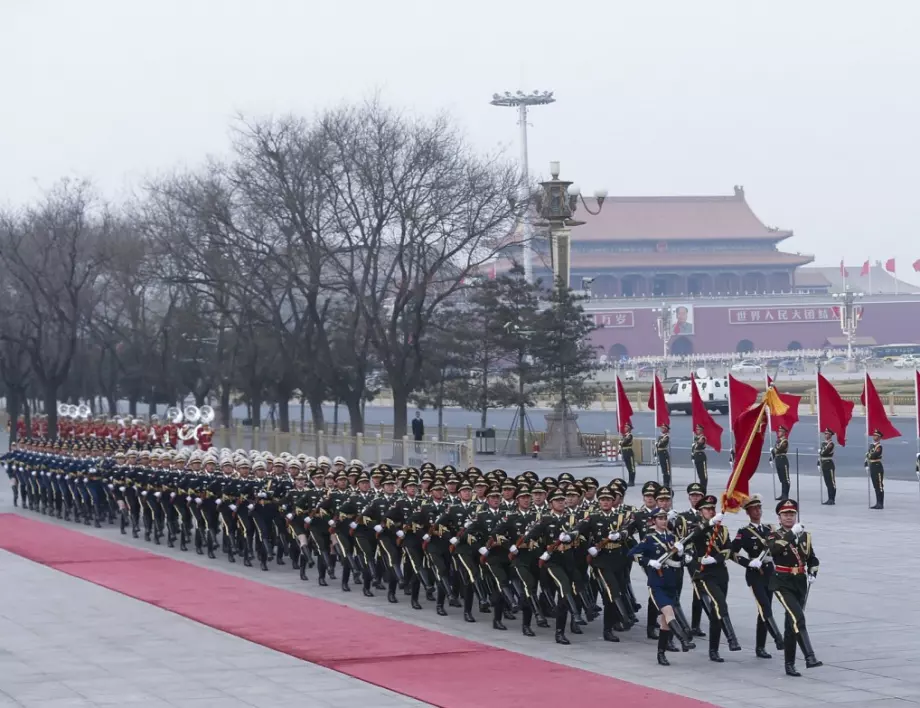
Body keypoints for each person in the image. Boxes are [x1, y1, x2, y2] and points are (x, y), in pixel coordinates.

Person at [628, 507, 695, 665]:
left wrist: (680, 553)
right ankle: (683, 640)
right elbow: (632, 553)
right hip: (657, 583)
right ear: (653, 521)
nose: (663, 521)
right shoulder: (649, 539)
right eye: (660, 518)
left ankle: (661, 653)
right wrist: (648, 562)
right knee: (669, 612)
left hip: (671, 581)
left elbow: (679, 559)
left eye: (665, 518)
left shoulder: (672, 538)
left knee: (665, 623)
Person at [685, 494, 742, 662]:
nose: (710, 511)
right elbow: (692, 537)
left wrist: (716, 558)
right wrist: (708, 524)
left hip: (720, 572)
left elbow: (728, 549)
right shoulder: (695, 527)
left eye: (712, 509)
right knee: (720, 604)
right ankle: (732, 639)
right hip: (704, 574)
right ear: (700, 512)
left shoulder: (721, 530)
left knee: (717, 612)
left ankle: (713, 650)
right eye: (707, 509)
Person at [768, 499, 822, 677]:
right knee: (799, 618)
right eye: (785, 514)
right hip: (782, 582)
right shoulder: (774, 534)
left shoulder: (805, 535)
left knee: (791, 624)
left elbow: (812, 558)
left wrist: (813, 572)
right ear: (779, 517)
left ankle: (789, 665)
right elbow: (774, 551)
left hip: (799, 581)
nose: (789, 517)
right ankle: (810, 657)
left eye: (792, 514)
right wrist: (791, 534)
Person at [730, 496, 784, 659]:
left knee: (763, 611)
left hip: (769, 572)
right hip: (755, 574)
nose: (758, 511)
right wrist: (748, 563)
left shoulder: (770, 529)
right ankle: (777, 638)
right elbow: (731, 553)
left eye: (759, 508)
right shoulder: (744, 532)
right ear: (748, 512)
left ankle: (760, 647)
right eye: (754, 509)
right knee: (764, 606)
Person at [771, 425, 791, 501]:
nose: (778, 433)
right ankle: (782, 494)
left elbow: (778, 449)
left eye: (780, 431)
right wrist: (771, 457)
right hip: (778, 460)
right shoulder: (778, 441)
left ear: (783, 432)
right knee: (781, 478)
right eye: (778, 431)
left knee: (786, 478)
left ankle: (786, 495)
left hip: (783, 460)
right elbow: (774, 452)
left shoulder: (784, 441)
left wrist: (774, 449)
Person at [866, 430, 884, 510]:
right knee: (875, 486)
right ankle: (877, 502)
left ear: (879, 437)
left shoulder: (879, 446)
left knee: (879, 485)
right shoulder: (871, 445)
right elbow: (868, 455)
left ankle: (880, 503)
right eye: (873, 435)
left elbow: (874, 455)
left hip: (877, 466)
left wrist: (868, 455)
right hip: (872, 466)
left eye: (876, 435)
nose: (874, 437)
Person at [818, 429, 836, 505]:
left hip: (829, 463)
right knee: (827, 482)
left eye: (827, 434)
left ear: (830, 435)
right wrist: (818, 463)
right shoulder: (823, 443)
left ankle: (832, 499)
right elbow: (820, 455)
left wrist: (820, 452)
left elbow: (824, 452)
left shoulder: (831, 444)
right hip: (824, 463)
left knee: (831, 482)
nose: (826, 435)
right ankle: (829, 498)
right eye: (825, 434)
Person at [691, 424, 708, 493]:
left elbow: (697, 445)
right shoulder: (696, 438)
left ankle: (704, 489)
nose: (697, 430)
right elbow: (693, 449)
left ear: (702, 430)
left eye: (699, 429)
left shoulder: (702, 438)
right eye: (697, 429)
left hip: (701, 456)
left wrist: (696, 442)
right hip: (697, 456)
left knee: (703, 474)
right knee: (699, 474)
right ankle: (701, 488)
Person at [620, 423, 636, 487]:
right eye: (625, 427)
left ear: (629, 429)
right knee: (628, 467)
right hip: (625, 452)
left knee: (631, 467)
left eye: (626, 427)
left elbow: (624, 442)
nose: (625, 428)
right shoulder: (624, 435)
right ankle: (629, 481)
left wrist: (621, 442)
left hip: (629, 452)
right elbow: (622, 444)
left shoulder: (630, 435)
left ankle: (632, 481)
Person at [656, 424, 671, 489]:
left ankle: (667, 482)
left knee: (666, 469)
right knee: (663, 469)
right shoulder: (660, 436)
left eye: (663, 428)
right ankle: (665, 482)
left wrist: (657, 443)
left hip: (664, 454)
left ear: (666, 429)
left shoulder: (666, 437)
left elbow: (660, 444)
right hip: (660, 453)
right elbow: (657, 445)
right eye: (661, 428)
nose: (662, 429)